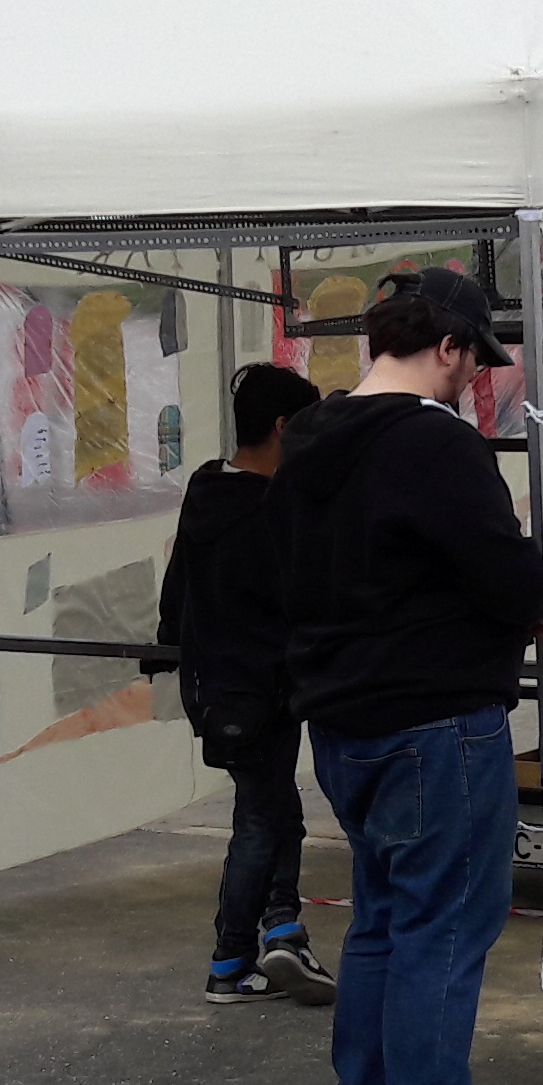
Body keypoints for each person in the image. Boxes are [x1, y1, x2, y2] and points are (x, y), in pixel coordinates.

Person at [274, 267, 543, 1085]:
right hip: (438, 723)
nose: (474, 378)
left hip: (342, 723)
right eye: (473, 360)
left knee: (383, 923)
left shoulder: (311, 438)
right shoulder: (436, 444)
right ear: (446, 346)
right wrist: (537, 602)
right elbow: (510, 577)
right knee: (444, 929)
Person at [163, 362, 336, 1008]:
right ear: (283, 426)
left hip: (216, 690)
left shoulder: (206, 487)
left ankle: (283, 933)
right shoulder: (273, 506)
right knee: (264, 820)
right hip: (262, 691)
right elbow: (303, 599)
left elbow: (177, 585)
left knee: (274, 809)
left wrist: (171, 645)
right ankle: (233, 960)